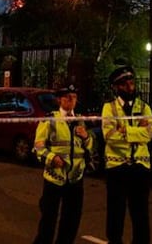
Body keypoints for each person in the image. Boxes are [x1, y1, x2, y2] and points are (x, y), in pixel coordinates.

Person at [32, 85, 93, 244]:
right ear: (59, 100)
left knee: (71, 220)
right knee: (48, 219)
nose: (71, 100)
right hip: (55, 177)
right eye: (67, 97)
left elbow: (90, 147)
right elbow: (38, 147)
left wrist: (86, 137)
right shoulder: (49, 119)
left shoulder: (80, 120)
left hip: (75, 178)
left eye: (74, 97)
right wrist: (51, 157)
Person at [101, 65, 152, 244]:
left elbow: (149, 133)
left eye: (131, 83)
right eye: (125, 84)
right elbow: (109, 137)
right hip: (117, 168)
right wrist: (135, 132)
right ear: (116, 87)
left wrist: (125, 131)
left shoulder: (144, 107)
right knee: (115, 213)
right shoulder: (109, 108)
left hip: (140, 168)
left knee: (141, 214)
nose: (130, 87)